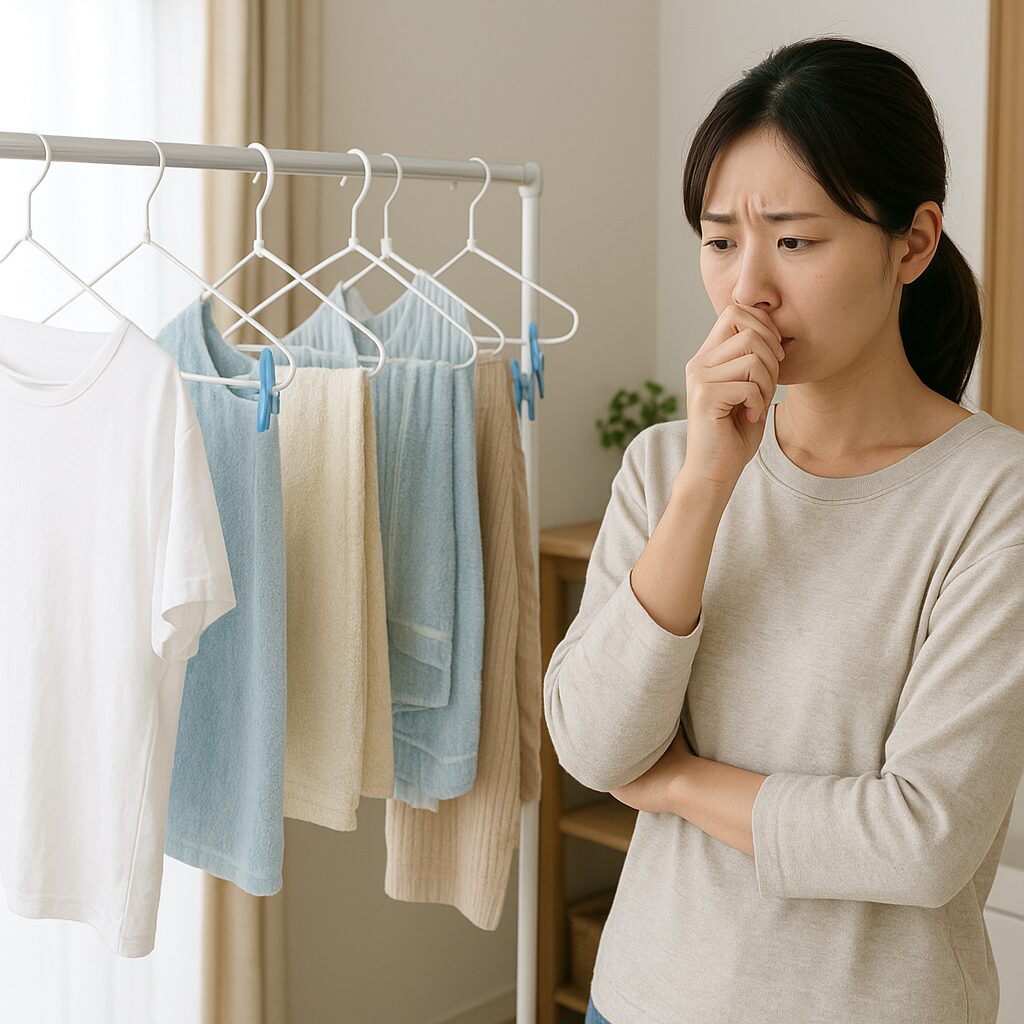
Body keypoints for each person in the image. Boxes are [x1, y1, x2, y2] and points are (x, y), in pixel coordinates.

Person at [545, 34, 1024, 1024]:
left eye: (794, 241)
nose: (745, 289)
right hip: (641, 1000)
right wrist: (706, 485)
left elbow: (920, 836)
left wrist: (677, 783)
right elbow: (592, 748)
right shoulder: (665, 467)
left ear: (913, 242)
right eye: (720, 240)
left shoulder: (993, 497)